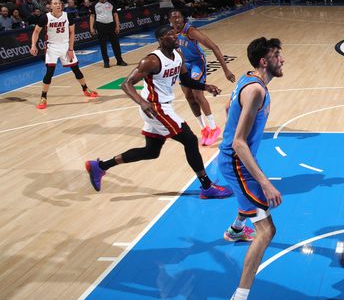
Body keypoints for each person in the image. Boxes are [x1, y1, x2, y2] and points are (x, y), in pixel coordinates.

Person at [84, 25, 233, 199]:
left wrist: (205, 86)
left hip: (164, 106)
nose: (175, 37)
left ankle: (100, 166)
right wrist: (142, 102)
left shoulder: (178, 55)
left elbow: (185, 80)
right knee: (190, 140)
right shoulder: (152, 61)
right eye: (169, 35)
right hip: (155, 108)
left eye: (174, 34)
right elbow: (126, 84)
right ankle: (207, 187)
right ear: (161, 40)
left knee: (151, 151)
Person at [219, 37, 285, 300]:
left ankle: (235, 230)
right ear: (263, 61)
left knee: (252, 211)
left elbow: (227, 108)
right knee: (267, 231)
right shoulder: (257, 89)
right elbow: (238, 142)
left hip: (236, 161)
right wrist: (266, 183)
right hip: (237, 164)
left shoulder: (248, 80)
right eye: (276, 55)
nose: (282, 60)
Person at [170, 10, 237, 146]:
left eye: (179, 16)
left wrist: (226, 70)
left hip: (196, 64)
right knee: (188, 96)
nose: (177, 19)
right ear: (170, 20)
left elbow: (214, 47)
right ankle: (203, 128)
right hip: (183, 66)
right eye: (174, 17)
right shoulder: (170, 35)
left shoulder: (191, 31)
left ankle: (213, 128)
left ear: (183, 18)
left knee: (197, 94)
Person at [29, 0, 98, 110]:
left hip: (66, 46)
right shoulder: (45, 18)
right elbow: (36, 31)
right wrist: (33, 45)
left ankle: (86, 89)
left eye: (59, 3)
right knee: (49, 72)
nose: (58, 5)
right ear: (50, 6)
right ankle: (43, 97)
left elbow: (72, 33)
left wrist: (70, 49)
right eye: (55, 3)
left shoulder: (68, 16)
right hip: (52, 46)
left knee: (76, 69)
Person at [89, 0, 127, 68]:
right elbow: (92, 16)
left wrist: (117, 26)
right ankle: (106, 62)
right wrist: (91, 28)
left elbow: (115, 15)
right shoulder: (94, 4)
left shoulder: (111, 3)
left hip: (111, 25)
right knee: (103, 45)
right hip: (100, 25)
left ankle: (119, 60)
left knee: (116, 44)